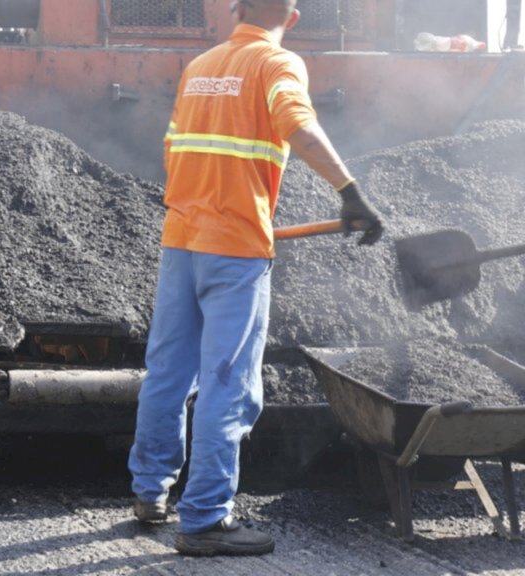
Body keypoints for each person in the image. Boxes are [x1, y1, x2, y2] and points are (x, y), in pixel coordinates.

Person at [128, 0, 384, 557]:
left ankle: (150, 493)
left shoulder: (199, 68)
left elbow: (174, 148)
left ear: (235, 9)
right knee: (229, 383)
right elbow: (299, 125)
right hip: (236, 249)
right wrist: (350, 193)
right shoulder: (276, 64)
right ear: (292, 18)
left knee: (168, 373)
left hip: (181, 240)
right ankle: (203, 520)